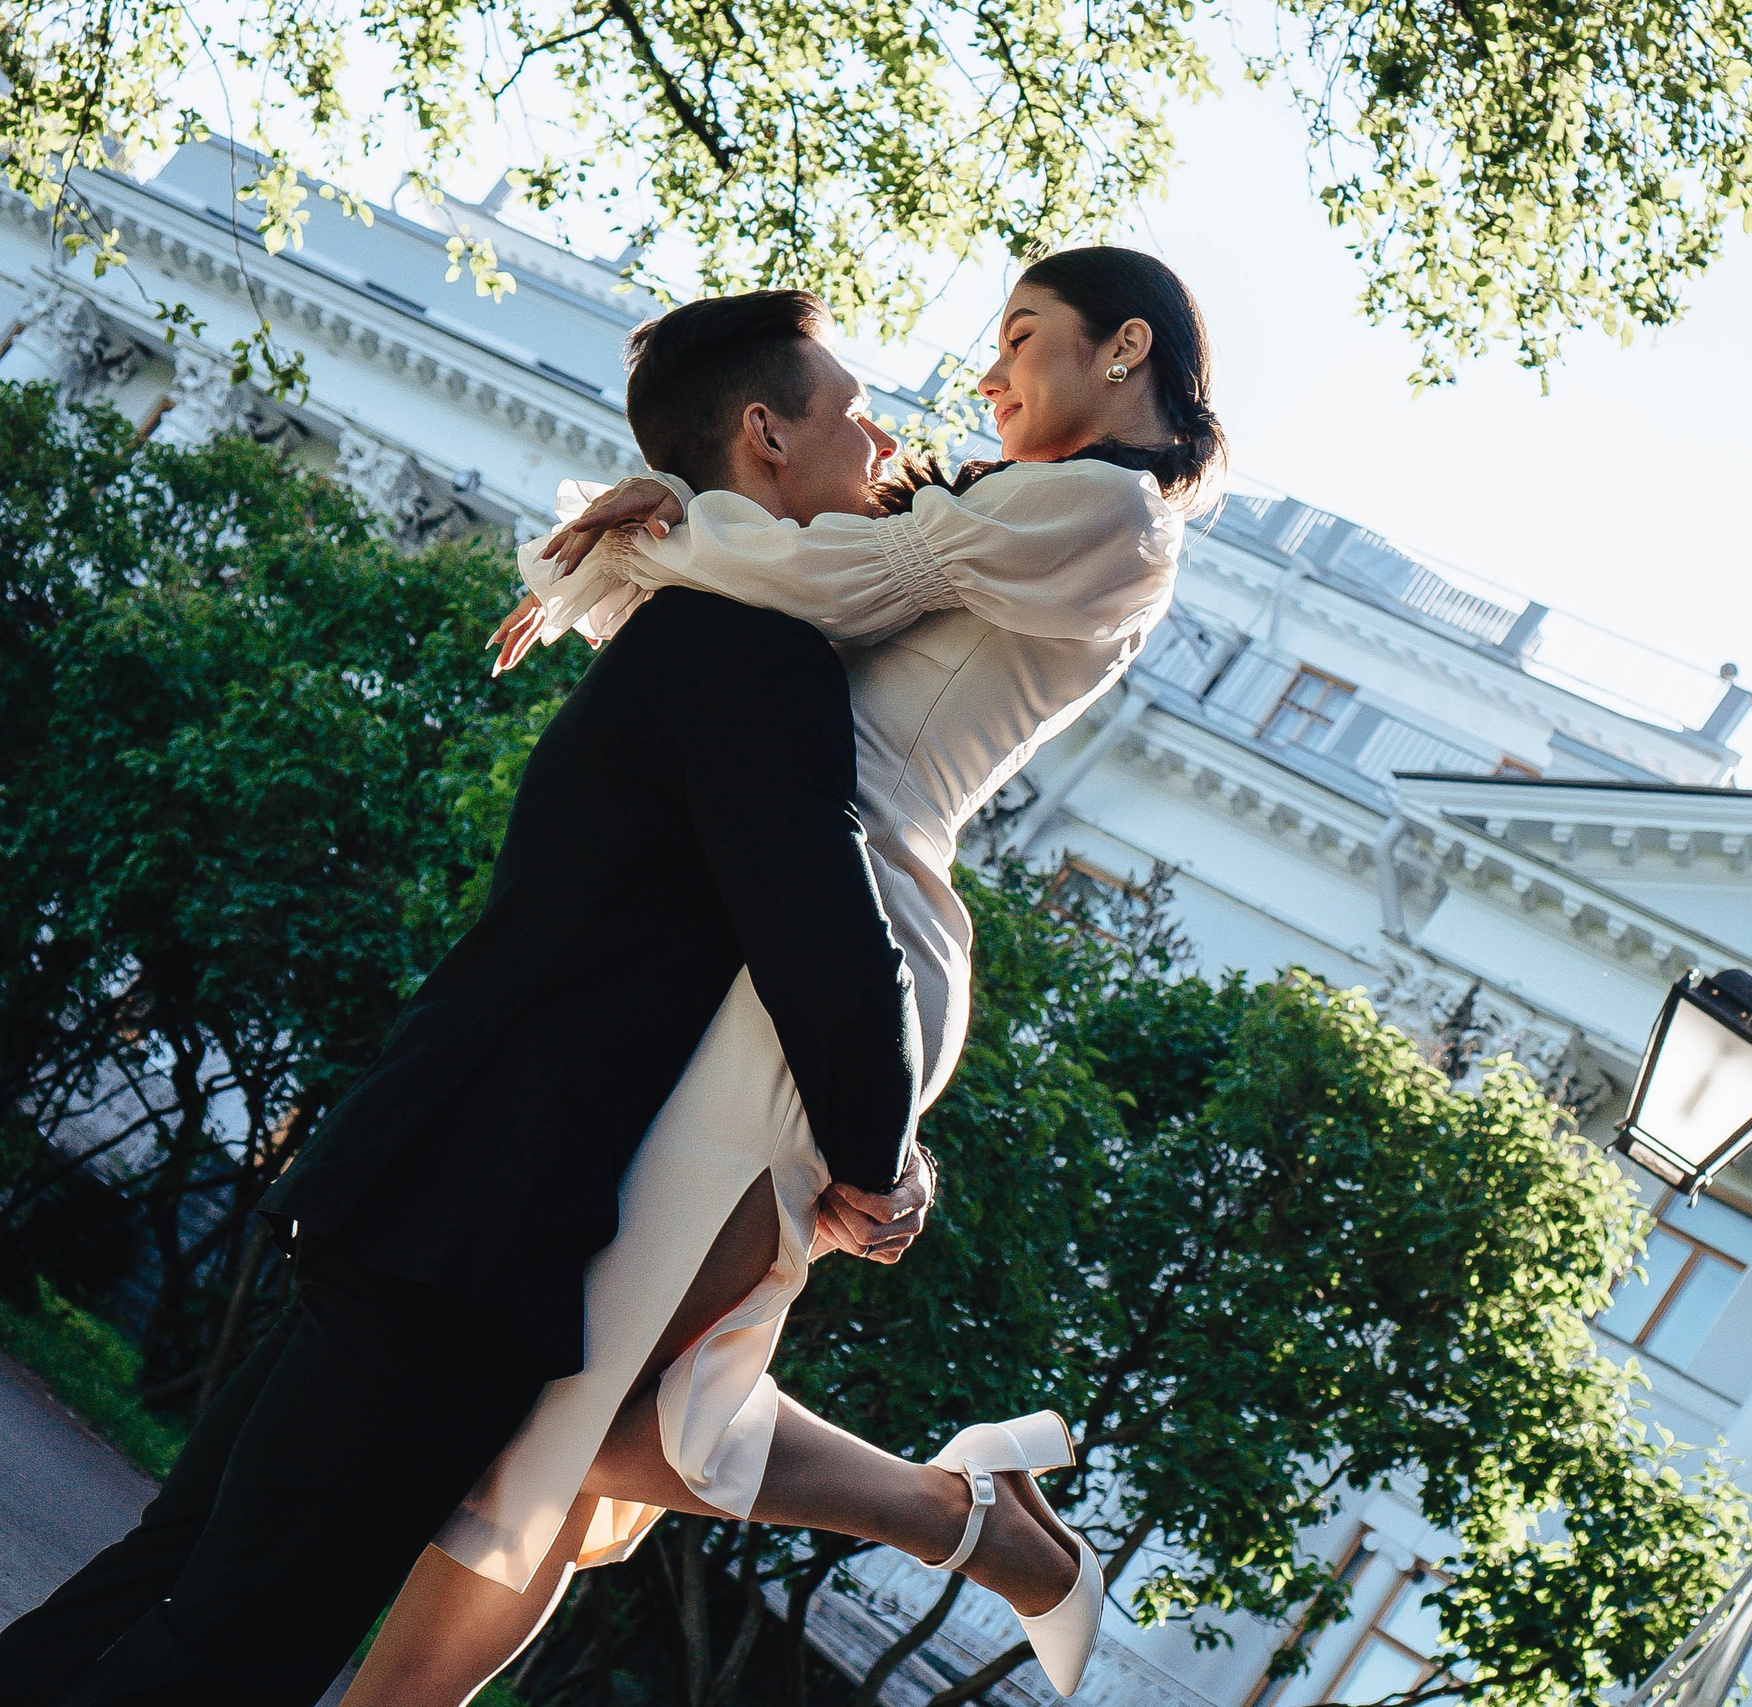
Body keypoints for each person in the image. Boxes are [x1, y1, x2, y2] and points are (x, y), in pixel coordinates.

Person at [0, 298, 929, 1705]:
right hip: (472, 1239)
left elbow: (945, 530)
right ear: (767, 434)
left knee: (175, 1576)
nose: (883, 435)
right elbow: (832, 950)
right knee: (240, 1640)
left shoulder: (684, 622)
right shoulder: (755, 660)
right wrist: (884, 1159)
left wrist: (670, 510)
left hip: (403, 1184)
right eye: (854, 408)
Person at [343, 246, 1223, 1705]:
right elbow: (790, 569)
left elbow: (836, 577)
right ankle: (980, 1525)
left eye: (1023, 337)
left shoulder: (1108, 513)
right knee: (601, 1421)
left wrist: (654, 534)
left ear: (1127, 349)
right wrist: (678, 518)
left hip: (836, 950)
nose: (990, 374)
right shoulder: (1008, 504)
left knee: (568, 1420)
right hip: (786, 934)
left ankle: (978, 1528)